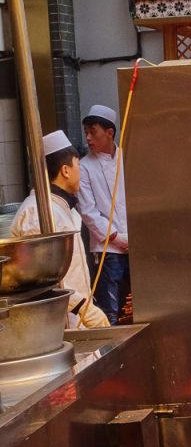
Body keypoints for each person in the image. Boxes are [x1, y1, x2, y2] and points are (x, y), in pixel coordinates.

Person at [11, 130, 109, 329]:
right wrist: (83, 308)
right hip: (55, 323)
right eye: (78, 165)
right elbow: (44, 277)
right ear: (65, 170)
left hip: (73, 317)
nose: (80, 172)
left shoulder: (60, 208)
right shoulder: (38, 212)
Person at [79, 104, 129, 326]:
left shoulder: (127, 159)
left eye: (93, 132)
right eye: (86, 133)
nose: (88, 138)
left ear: (110, 132)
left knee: (142, 303)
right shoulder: (84, 166)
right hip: (107, 248)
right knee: (111, 309)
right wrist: (118, 238)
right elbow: (88, 212)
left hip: (136, 244)